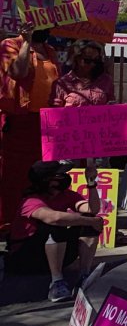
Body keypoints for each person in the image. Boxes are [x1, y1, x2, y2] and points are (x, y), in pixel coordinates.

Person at [0, 24, 63, 236]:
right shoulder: (10, 45)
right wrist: (26, 41)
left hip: (47, 122)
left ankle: (36, 220)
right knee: (16, 175)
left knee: (43, 175)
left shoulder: (50, 50)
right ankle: (10, 224)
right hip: (21, 120)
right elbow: (18, 72)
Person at [14, 160, 105, 302]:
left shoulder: (66, 195)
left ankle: (84, 276)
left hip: (55, 253)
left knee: (87, 223)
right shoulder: (30, 200)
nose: (64, 176)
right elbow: (54, 218)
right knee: (58, 225)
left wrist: (91, 183)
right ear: (46, 180)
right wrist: (90, 220)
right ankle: (56, 283)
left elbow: (92, 210)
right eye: (60, 174)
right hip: (26, 256)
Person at [50, 41, 114, 108]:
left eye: (96, 60)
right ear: (76, 59)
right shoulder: (62, 84)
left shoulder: (106, 80)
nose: (93, 64)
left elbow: (111, 105)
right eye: (87, 60)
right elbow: (55, 112)